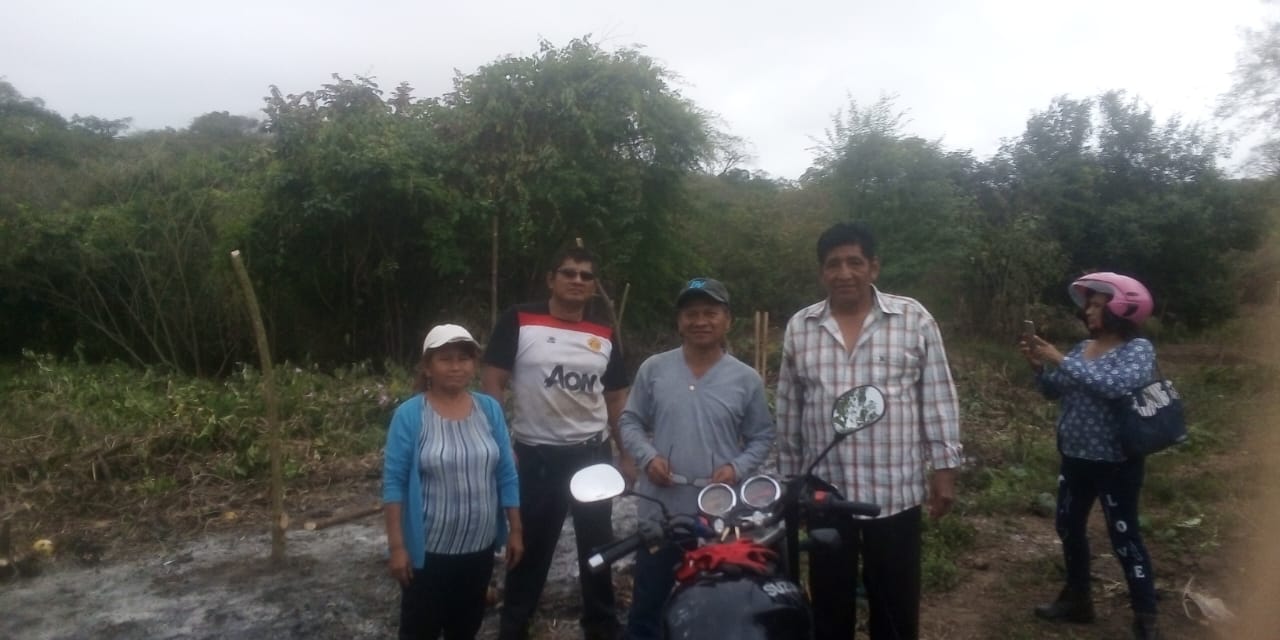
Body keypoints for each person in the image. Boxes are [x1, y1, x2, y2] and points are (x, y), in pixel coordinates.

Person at [776, 222, 963, 640]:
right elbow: (789, 411)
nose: (844, 273)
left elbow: (937, 396)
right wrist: (790, 483)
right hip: (827, 493)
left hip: (894, 490)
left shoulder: (912, 319)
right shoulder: (800, 327)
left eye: (854, 262)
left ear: (873, 267)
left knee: (895, 605)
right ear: (822, 272)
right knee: (829, 603)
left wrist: (944, 469)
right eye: (833, 264)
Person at [483, 247, 632, 640]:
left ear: (593, 286)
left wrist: (626, 453)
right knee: (529, 544)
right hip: (535, 455)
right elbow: (493, 380)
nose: (577, 280)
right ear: (551, 279)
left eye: (586, 275)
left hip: (592, 453)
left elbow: (616, 398)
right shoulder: (519, 319)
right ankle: (515, 624)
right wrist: (500, 442)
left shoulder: (604, 333)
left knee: (597, 542)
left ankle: (601, 623)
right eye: (569, 272)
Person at [619, 277, 776, 640]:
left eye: (710, 313)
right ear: (679, 321)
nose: (700, 321)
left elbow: (762, 436)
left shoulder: (746, 379)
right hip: (660, 513)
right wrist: (647, 457)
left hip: (719, 516)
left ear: (727, 320)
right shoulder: (654, 369)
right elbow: (630, 421)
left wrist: (736, 468)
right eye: (691, 314)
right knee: (648, 607)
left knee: (716, 607)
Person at [1019, 272, 1162, 640]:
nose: (1089, 311)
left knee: (1124, 535)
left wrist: (1060, 359)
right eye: (1089, 305)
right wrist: (1040, 368)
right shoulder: (1083, 347)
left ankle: (1146, 617)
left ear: (1122, 310)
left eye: (1098, 305)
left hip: (1116, 462)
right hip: (1075, 457)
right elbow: (1055, 390)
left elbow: (1115, 386)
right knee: (1068, 527)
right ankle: (1078, 599)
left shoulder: (1137, 350)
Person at [382, 323, 524, 640]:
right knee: (420, 629)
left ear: (474, 364)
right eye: (445, 359)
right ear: (427, 367)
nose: (456, 367)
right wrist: (397, 547)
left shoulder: (488, 409)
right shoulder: (410, 415)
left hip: (479, 547)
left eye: (464, 358)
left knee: (465, 628)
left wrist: (515, 529)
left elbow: (506, 472)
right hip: (429, 553)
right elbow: (394, 484)